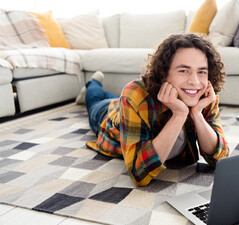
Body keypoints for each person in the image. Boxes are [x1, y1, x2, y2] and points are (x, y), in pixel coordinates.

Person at [80, 33, 229, 186]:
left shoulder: (203, 94)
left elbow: (221, 159)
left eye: (202, 71)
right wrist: (179, 115)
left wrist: (197, 114)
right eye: (184, 70)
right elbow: (139, 174)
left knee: (111, 97)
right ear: (164, 73)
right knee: (94, 102)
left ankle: (104, 92)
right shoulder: (135, 96)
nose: (194, 81)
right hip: (107, 116)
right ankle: (93, 83)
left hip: (121, 104)